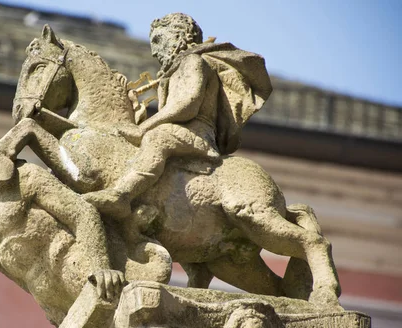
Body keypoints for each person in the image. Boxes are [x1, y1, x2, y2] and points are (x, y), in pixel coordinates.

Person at [84, 13, 272, 219]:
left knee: (158, 137)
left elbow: (186, 107)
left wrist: (143, 128)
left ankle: (122, 195)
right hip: (179, 133)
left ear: (179, 37)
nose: (154, 51)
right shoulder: (172, 72)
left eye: (157, 41)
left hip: (197, 135)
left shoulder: (193, 62)